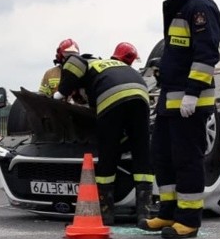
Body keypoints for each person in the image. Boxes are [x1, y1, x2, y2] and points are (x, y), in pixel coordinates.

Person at [142, 0, 220, 238]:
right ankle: (168, 212)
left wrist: (192, 93)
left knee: (187, 159)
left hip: (190, 102)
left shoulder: (200, 8)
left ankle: (188, 219)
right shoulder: (182, 7)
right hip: (170, 100)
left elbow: (206, 56)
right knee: (162, 155)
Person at [54, 48, 152, 226]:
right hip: (140, 95)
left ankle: (106, 213)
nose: (80, 101)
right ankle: (143, 214)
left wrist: (61, 93)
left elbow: (73, 61)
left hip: (111, 95)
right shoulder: (112, 66)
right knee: (142, 152)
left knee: (108, 153)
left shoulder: (87, 62)